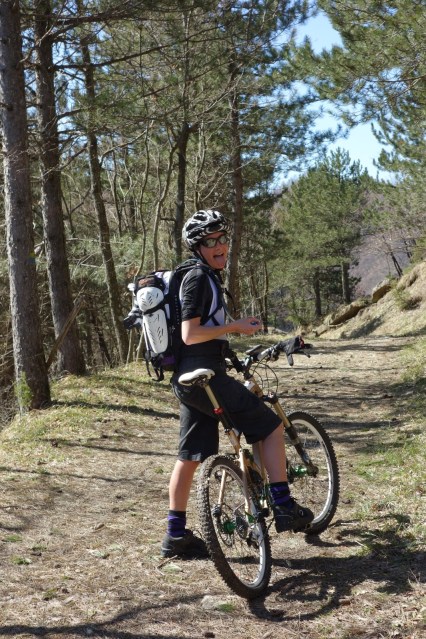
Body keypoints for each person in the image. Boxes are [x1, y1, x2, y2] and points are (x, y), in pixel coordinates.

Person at [161, 209, 314, 558]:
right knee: (270, 427)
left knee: (189, 457)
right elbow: (190, 333)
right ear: (197, 247)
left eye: (222, 239)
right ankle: (284, 505)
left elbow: (201, 335)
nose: (219, 246)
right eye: (210, 241)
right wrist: (236, 327)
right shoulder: (198, 278)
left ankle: (175, 536)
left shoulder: (199, 276)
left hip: (190, 378)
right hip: (204, 374)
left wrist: (229, 345)